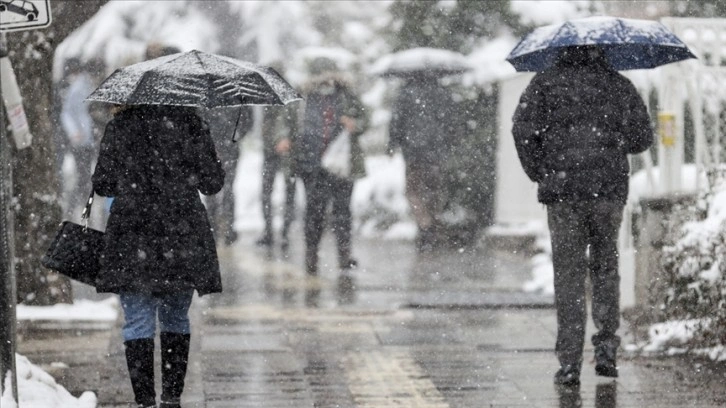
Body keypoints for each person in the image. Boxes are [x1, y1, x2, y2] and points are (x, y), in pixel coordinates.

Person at [511, 46, 653, 386]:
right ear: (602, 50)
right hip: (607, 192)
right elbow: (642, 138)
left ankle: (570, 362)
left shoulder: (543, 84)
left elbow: (522, 131)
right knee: (606, 267)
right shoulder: (619, 84)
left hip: (563, 193)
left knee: (569, 275)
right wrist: (612, 141)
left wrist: (541, 171)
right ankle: (606, 349)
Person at [92, 104, 225, 408]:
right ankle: (172, 398)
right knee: (176, 317)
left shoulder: (121, 125)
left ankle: (145, 401)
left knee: (137, 320)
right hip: (182, 234)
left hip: (132, 233)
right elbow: (212, 183)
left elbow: (103, 184)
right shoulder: (191, 122)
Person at [295, 57, 369, 276]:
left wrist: (356, 124)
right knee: (314, 212)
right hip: (312, 164)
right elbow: (291, 124)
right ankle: (311, 254)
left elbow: (365, 118)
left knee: (342, 211)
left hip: (342, 164)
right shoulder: (304, 98)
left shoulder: (347, 96)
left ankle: (344, 255)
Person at [387, 74, 459, 252]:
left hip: (413, 152)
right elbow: (451, 121)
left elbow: (396, 121)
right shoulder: (443, 93)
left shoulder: (405, 93)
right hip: (436, 152)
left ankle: (424, 225)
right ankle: (432, 225)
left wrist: (392, 143)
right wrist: (449, 142)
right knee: (434, 190)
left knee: (413, 190)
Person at [256, 102, 299, 252]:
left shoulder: (287, 94)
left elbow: (290, 120)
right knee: (267, 191)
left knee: (289, 190)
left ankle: (284, 232)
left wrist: (284, 137)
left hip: (287, 148)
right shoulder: (265, 96)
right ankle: (269, 230)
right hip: (270, 149)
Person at [58, 57, 96, 222]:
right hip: (82, 140)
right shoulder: (79, 88)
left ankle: (80, 207)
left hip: (88, 139)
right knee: (83, 175)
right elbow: (67, 112)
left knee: (85, 175)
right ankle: (76, 208)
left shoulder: (88, 85)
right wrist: (74, 132)